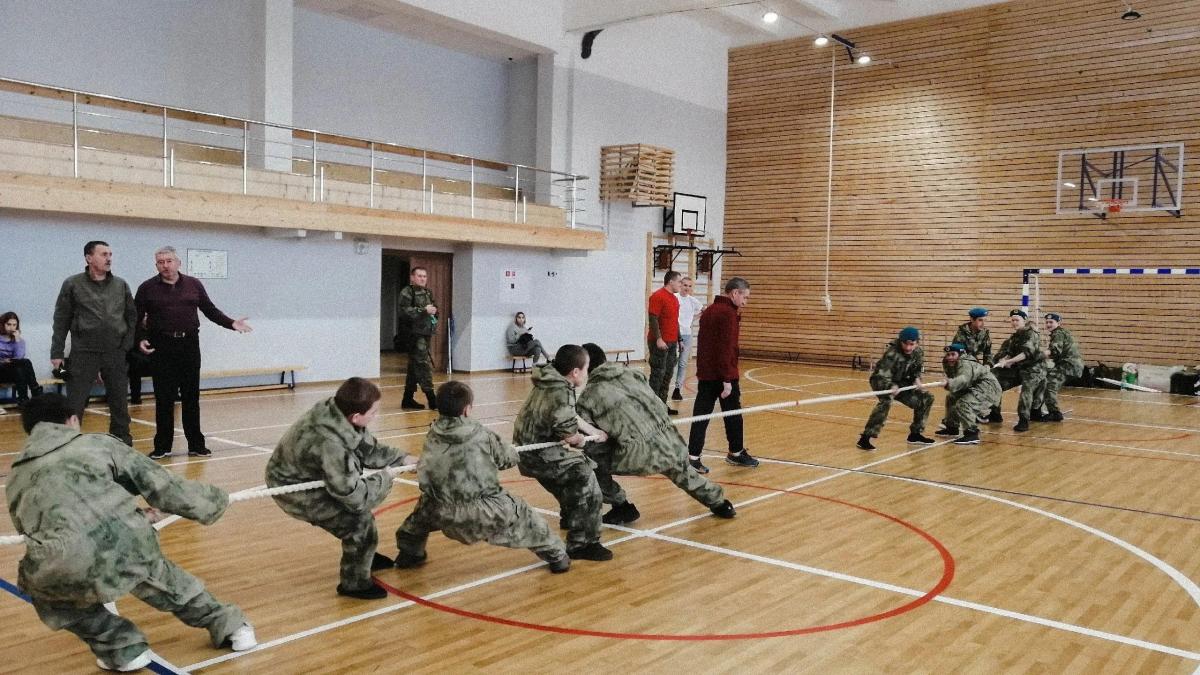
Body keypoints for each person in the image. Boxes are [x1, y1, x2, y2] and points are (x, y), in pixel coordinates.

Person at [6, 394, 255, 672]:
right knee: (165, 582)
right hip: (124, 543)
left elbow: (35, 529)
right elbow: (162, 485)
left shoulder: (16, 475)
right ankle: (232, 628)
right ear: (72, 420)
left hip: (59, 562)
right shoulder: (96, 444)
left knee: (54, 598)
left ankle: (121, 648)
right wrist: (213, 501)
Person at [395, 381, 571, 574]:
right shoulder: (482, 434)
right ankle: (557, 556)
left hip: (441, 510)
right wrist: (506, 452)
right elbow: (508, 460)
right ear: (467, 410)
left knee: (421, 513)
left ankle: (410, 553)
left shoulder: (432, 433)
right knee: (523, 513)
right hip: (484, 511)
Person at [266, 377, 417, 600]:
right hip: (292, 487)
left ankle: (363, 554)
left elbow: (368, 449)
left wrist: (403, 459)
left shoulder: (340, 413)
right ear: (355, 416)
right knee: (357, 522)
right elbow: (356, 498)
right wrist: (386, 478)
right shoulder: (331, 444)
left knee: (362, 522)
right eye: (373, 412)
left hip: (314, 471)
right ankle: (354, 584)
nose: (376, 416)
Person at [577, 344, 735, 523]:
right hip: (670, 441)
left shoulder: (588, 397)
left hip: (639, 454)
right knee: (681, 472)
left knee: (588, 461)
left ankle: (621, 506)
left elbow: (588, 437)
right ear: (605, 360)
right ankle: (720, 503)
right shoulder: (634, 374)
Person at [135, 246, 252, 460]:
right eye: (161, 262)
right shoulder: (147, 288)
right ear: (156, 265)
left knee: (191, 397)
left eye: (169, 261)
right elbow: (135, 318)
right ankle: (162, 446)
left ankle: (196, 445)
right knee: (164, 399)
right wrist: (140, 338)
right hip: (162, 347)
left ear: (178, 263)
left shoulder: (194, 284)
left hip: (189, 345)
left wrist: (231, 323)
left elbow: (210, 310)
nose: (165, 265)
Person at [512, 344, 613, 562]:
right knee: (587, 478)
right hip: (540, 454)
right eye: (586, 368)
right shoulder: (561, 391)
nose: (587, 373)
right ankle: (583, 543)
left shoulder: (550, 380)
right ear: (575, 372)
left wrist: (593, 431)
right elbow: (569, 436)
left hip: (529, 452)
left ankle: (571, 518)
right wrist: (582, 440)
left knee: (572, 480)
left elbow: (568, 415)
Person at [51, 240, 137, 445]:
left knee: (119, 403)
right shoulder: (73, 284)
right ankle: (68, 444)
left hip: (115, 352)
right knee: (75, 403)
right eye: (103, 254)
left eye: (110, 254)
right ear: (89, 258)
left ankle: (122, 443)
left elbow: (131, 317)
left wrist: (125, 346)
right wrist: (57, 352)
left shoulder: (121, 285)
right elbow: (61, 319)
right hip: (84, 352)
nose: (109, 258)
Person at [686, 277, 759, 472]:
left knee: (701, 416)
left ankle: (693, 457)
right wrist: (727, 380)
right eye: (745, 297)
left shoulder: (710, 310)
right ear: (735, 293)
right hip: (724, 375)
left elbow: (704, 345)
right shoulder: (728, 314)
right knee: (733, 415)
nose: (746, 302)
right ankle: (736, 453)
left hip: (706, 374)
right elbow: (727, 348)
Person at [856, 326, 935, 451]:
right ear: (900, 341)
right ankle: (865, 438)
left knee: (926, 398)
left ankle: (915, 434)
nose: (908, 348)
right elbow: (882, 375)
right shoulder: (892, 353)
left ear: (917, 343)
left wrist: (917, 380)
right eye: (905, 344)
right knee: (886, 401)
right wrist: (890, 386)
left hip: (901, 382)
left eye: (911, 344)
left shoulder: (918, 352)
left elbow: (916, 370)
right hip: (881, 381)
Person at [992, 309, 1047, 432]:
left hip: (1034, 369)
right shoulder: (1015, 336)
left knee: (1026, 390)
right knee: (994, 379)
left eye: (1017, 320)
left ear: (1024, 320)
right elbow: (1008, 352)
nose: (1014, 322)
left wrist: (1009, 361)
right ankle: (994, 413)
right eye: (1012, 320)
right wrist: (1003, 359)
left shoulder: (1031, 333)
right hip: (1019, 368)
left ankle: (1023, 420)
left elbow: (1026, 354)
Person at [935, 343, 1002, 445]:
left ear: (961, 354)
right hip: (975, 386)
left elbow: (964, 379)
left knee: (964, 403)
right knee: (951, 397)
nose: (950, 357)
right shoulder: (949, 363)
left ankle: (971, 433)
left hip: (989, 389)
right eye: (948, 355)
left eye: (953, 354)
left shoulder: (965, 363)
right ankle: (952, 427)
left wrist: (949, 383)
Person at [398, 266, 439, 411]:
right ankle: (432, 399)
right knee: (422, 364)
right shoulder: (407, 292)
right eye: (419, 276)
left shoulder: (428, 292)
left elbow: (434, 308)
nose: (422, 279)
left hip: (425, 333)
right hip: (413, 335)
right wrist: (423, 310)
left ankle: (407, 399)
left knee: (414, 367)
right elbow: (404, 312)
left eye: (424, 276)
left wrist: (434, 311)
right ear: (412, 277)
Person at [953, 306, 1001, 424]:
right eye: (980, 320)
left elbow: (988, 352)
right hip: (963, 365)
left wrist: (988, 364)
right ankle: (953, 420)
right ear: (972, 320)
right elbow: (958, 356)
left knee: (992, 383)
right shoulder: (961, 335)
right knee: (962, 391)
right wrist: (975, 368)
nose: (983, 323)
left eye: (984, 320)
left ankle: (991, 413)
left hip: (976, 365)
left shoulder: (984, 333)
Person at [1032, 312, 1083, 422]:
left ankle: (1054, 413)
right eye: (1047, 322)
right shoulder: (1061, 332)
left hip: (1068, 366)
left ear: (1059, 323)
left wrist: (1035, 356)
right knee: (1043, 380)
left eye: (1051, 322)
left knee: (1049, 384)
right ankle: (1036, 410)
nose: (1048, 324)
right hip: (1068, 365)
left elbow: (1054, 351)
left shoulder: (1058, 333)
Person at [647, 270, 682, 415]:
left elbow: (675, 321)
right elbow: (653, 318)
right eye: (679, 282)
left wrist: (680, 339)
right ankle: (651, 409)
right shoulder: (658, 296)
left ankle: (661, 406)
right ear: (671, 281)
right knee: (657, 375)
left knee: (667, 375)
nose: (680, 285)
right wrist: (658, 338)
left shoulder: (674, 299)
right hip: (660, 342)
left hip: (672, 342)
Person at [671, 277, 704, 402]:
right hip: (674, 333)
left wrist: (691, 320)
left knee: (683, 363)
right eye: (685, 285)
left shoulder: (693, 301)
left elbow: (703, 310)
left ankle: (677, 389)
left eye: (690, 286)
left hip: (686, 335)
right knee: (671, 361)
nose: (687, 288)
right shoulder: (675, 297)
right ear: (680, 285)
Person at [0, 312, 43, 404]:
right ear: (3, 324)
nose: (12, 328)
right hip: (1, 372)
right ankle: (35, 391)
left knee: (22, 366)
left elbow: (19, 358)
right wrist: (3, 361)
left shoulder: (19, 341)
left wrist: (17, 340)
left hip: (12, 373)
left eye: (14, 325)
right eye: (9, 324)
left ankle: (23, 399)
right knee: (25, 363)